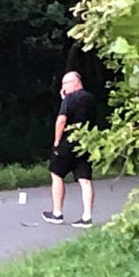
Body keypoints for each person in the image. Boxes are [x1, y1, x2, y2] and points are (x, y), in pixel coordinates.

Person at [42, 71, 97, 228]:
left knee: (56, 174)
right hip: (86, 142)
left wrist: (57, 142)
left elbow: (61, 120)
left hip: (68, 141)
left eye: (65, 83)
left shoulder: (69, 98)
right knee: (85, 180)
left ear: (76, 82)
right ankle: (87, 217)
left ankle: (57, 213)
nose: (63, 87)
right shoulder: (90, 99)